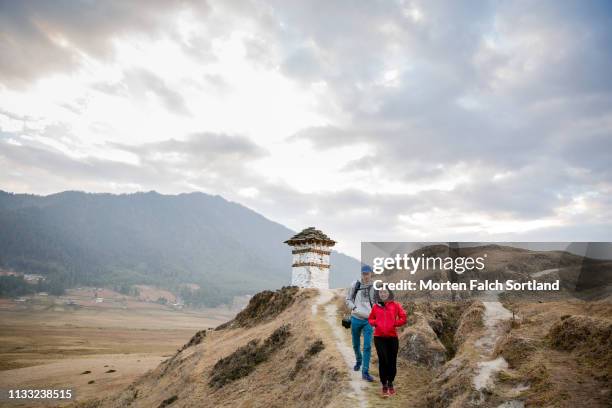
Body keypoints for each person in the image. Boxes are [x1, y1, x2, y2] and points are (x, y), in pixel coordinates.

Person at [368, 288, 407, 397]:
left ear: (389, 293)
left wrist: (395, 323)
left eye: (385, 292)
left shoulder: (395, 305)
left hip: (392, 338)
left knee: (392, 360)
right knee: (383, 359)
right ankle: (384, 384)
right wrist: (376, 323)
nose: (383, 294)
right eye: (381, 292)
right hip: (379, 337)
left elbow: (403, 318)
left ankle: (390, 383)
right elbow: (370, 319)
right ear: (379, 294)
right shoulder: (376, 306)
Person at [345, 264, 376, 382]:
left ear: (371, 274)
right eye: (364, 273)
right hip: (356, 319)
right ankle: (359, 360)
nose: (366, 276)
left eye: (367, 274)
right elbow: (348, 299)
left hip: (369, 321)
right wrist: (354, 308)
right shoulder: (355, 285)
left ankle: (365, 372)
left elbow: (377, 304)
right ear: (361, 274)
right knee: (355, 344)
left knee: (367, 346)